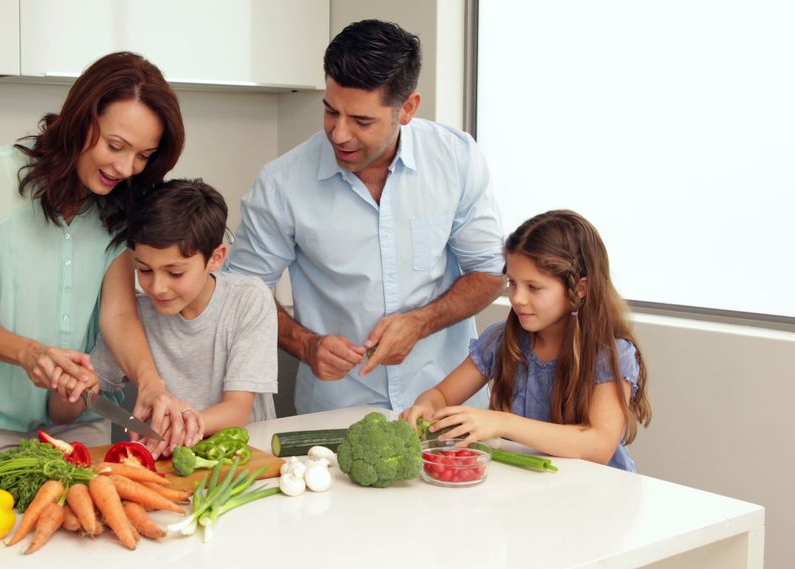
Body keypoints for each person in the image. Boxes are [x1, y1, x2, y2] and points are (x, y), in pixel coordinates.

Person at [226, 19, 505, 415]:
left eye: (361, 121)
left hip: (447, 407)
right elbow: (241, 296)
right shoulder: (281, 184)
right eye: (330, 111)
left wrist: (420, 323)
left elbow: (490, 274)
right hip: (335, 414)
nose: (339, 134)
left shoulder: (456, 159)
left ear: (406, 109)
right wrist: (307, 345)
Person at [0, 52, 191, 457]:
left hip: (80, 419)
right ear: (82, 118)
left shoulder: (121, 207)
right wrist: (29, 353)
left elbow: (118, 314)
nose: (125, 168)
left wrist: (151, 383)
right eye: (115, 145)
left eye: (143, 156)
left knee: (89, 521)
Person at [401, 210, 652, 471]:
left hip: (597, 495)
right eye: (512, 283)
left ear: (579, 289)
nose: (517, 298)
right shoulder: (500, 340)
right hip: (527, 490)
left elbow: (599, 444)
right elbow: (441, 394)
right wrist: (425, 406)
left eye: (534, 287)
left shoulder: (610, 354)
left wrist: (501, 422)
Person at [49, 179, 278, 452]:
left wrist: (181, 425)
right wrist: (69, 390)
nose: (157, 287)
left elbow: (238, 411)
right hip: (171, 460)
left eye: (175, 273)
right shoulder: (134, 316)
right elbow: (62, 414)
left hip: (246, 454)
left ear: (216, 258)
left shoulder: (248, 299)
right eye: (144, 270)